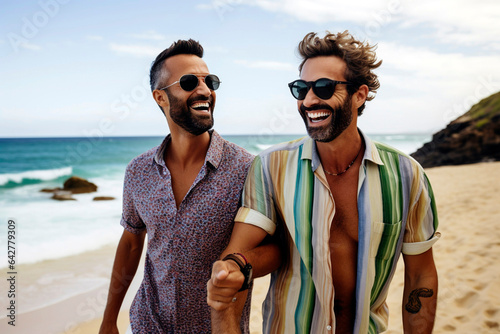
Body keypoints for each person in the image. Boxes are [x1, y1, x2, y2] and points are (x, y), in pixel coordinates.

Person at [207, 31, 440, 334]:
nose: (309, 100)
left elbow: (420, 277)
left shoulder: (407, 176)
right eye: (301, 89)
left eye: (324, 87)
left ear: (360, 95)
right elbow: (233, 267)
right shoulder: (270, 167)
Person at [98, 39, 263, 333]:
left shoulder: (246, 169)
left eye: (209, 81)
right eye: (188, 82)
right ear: (160, 97)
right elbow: (131, 242)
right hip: (148, 324)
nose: (204, 90)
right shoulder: (138, 171)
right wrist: (109, 319)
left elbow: (271, 248)